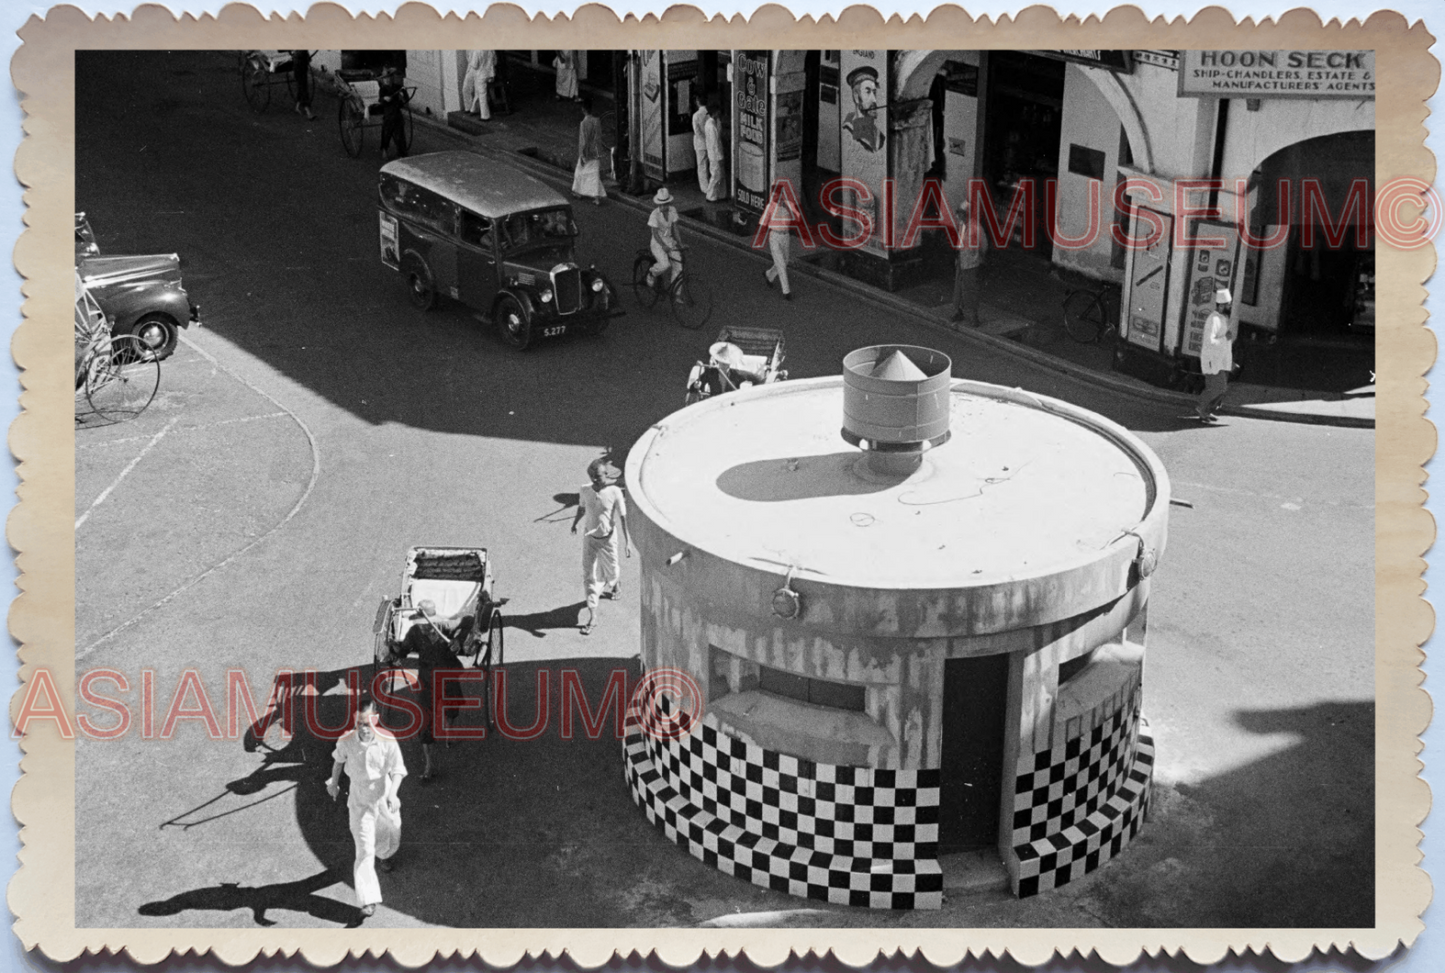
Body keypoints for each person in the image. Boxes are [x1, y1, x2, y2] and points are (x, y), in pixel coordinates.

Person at [326, 696, 406, 920]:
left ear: (376, 719)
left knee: (391, 830)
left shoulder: (387, 740)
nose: (363, 728)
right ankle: (368, 899)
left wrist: (393, 793)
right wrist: (333, 783)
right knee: (363, 850)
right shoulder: (346, 741)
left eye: (368, 723)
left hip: (383, 795)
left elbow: (398, 769)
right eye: (359, 723)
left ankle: (385, 855)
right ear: (354, 720)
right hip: (359, 800)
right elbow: (338, 761)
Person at [399, 600, 468, 782]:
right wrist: (394, 650)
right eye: (420, 625)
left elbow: (468, 620)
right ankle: (429, 765)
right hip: (427, 678)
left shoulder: (445, 625)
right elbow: (404, 649)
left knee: (452, 707)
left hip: (447, 673)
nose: (423, 629)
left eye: (425, 625)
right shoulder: (414, 632)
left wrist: (458, 640)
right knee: (425, 720)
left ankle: (450, 731)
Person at [570, 458, 631, 636]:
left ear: (606, 474)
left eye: (599, 477)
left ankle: (615, 582)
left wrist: (627, 542)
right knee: (589, 576)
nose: (596, 481)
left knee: (612, 570)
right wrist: (574, 523)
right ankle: (593, 616)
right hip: (590, 538)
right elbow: (582, 508)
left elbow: (623, 517)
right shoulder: (585, 490)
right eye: (593, 478)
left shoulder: (614, 492)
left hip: (608, 539)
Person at [1197, 288, 1236, 422]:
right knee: (1217, 388)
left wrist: (1229, 362)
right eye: (1228, 304)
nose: (1230, 307)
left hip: (1219, 361)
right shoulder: (1213, 319)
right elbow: (1209, 342)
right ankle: (1202, 409)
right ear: (1221, 305)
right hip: (1211, 361)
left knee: (1220, 389)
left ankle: (1206, 411)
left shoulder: (1222, 318)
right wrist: (1225, 338)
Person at [951, 200, 988, 327]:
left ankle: (973, 316)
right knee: (959, 288)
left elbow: (983, 246)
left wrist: (978, 259)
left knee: (970, 290)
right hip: (962, 261)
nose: (959, 216)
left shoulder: (976, 228)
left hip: (972, 264)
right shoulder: (963, 226)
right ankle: (958, 311)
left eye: (961, 213)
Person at [644, 187, 682, 294]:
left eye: (665, 204)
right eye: (660, 205)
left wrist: (680, 243)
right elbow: (655, 233)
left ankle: (676, 292)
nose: (662, 207)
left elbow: (675, 228)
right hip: (658, 243)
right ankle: (652, 273)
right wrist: (663, 245)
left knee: (679, 266)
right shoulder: (654, 215)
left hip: (669, 241)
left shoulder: (672, 211)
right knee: (665, 264)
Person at [762, 193, 799, 301]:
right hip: (775, 236)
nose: (780, 200)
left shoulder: (787, 208)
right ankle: (786, 292)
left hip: (785, 236)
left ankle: (769, 274)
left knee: (785, 261)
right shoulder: (770, 207)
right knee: (781, 264)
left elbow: (797, 216)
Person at [572, 95, 607, 205]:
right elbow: (599, 136)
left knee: (579, 172)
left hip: (586, 153)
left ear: (583, 110)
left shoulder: (583, 124)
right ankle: (596, 197)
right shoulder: (597, 121)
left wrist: (582, 155)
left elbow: (583, 141)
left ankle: (578, 192)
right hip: (596, 152)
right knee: (594, 176)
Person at [842, 65, 885, 152]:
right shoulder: (848, 130)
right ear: (856, 96)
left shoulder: (879, 136)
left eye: (874, 92)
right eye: (868, 92)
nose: (874, 99)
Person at [377, 65, 408, 160]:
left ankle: (402, 152)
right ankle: (384, 149)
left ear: (392, 78)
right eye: (385, 79)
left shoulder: (398, 87)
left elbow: (405, 98)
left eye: (389, 78)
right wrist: (385, 98)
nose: (387, 80)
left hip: (397, 113)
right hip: (388, 114)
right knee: (386, 133)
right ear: (383, 80)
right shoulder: (383, 89)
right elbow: (380, 100)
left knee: (400, 134)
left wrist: (402, 96)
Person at [703, 98, 727, 202]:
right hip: (715, 155)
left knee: (717, 175)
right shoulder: (712, 126)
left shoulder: (709, 123)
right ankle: (710, 195)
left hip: (712, 154)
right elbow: (715, 144)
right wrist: (720, 157)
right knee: (716, 176)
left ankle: (717, 195)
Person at [462, 50, 496, 120]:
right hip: (489, 74)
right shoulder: (491, 49)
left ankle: (485, 116)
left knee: (481, 94)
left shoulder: (477, 51)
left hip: (480, 74)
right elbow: (495, 62)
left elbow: (475, 65)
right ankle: (473, 109)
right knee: (480, 93)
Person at [691, 93, 711, 195]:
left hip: (700, 143)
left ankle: (705, 188)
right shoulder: (709, 113)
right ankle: (711, 187)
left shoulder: (696, 115)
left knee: (702, 165)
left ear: (698, 102)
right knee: (710, 165)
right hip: (710, 142)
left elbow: (697, 131)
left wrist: (703, 139)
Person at [290, 50, 315, 121]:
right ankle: (307, 111)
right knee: (303, 87)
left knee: (302, 85)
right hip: (298, 64)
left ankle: (297, 106)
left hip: (303, 63)